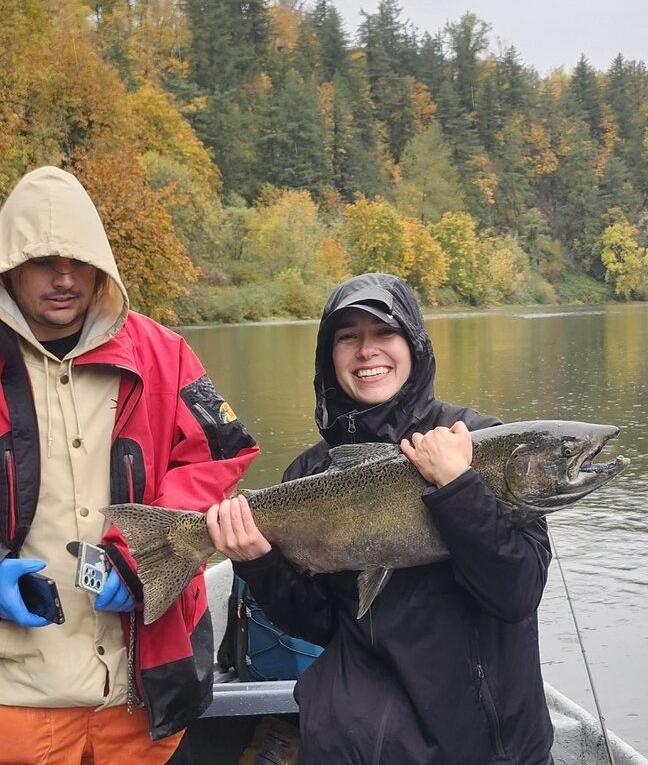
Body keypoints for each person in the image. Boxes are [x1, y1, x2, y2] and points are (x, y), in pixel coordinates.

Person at [207, 273, 555, 765]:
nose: (366, 351)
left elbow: (516, 592)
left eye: (384, 333)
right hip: (353, 744)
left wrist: (458, 489)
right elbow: (320, 622)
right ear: (330, 357)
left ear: (413, 344)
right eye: (348, 337)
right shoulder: (310, 474)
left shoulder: (478, 442)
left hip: (479, 746)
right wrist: (259, 563)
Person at [0, 166, 260, 764]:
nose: (64, 279)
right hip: (15, 702)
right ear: (12, 265)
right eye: (44, 262)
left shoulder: (163, 353)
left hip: (144, 695)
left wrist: (144, 552)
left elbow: (222, 454)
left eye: (79, 260)